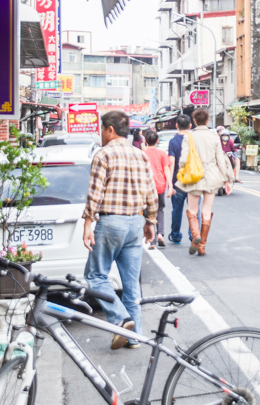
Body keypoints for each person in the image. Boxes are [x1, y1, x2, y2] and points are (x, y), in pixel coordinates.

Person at [82, 110, 158, 350]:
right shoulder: (140, 155)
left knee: (95, 276)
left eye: (102, 129)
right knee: (131, 284)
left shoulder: (103, 154)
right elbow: (151, 192)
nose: (101, 134)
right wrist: (151, 221)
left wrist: (87, 223)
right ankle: (135, 337)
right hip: (135, 223)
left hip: (111, 223)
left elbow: (95, 192)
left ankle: (121, 319)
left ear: (110, 129)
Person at [179, 108, 233, 256]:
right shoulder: (214, 136)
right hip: (211, 176)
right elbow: (220, 160)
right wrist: (226, 179)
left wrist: (181, 171)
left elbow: (183, 159)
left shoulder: (189, 136)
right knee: (206, 211)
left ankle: (195, 234)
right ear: (207, 120)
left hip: (194, 176)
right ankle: (202, 245)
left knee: (192, 210)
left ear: (194, 121)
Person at [167, 114, 195, 245]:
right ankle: (193, 234)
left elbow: (171, 162)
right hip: (194, 180)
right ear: (190, 126)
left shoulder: (173, 142)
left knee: (176, 209)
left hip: (178, 181)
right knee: (194, 209)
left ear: (176, 125)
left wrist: (170, 184)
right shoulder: (194, 140)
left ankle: (176, 235)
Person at [143, 128, 171, 248]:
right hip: (160, 186)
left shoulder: (142, 153)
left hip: (147, 187)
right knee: (160, 209)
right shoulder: (162, 153)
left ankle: (152, 240)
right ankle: (160, 233)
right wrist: (170, 185)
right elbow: (166, 170)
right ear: (157, 141)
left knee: (149, 212)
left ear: (145, 141)